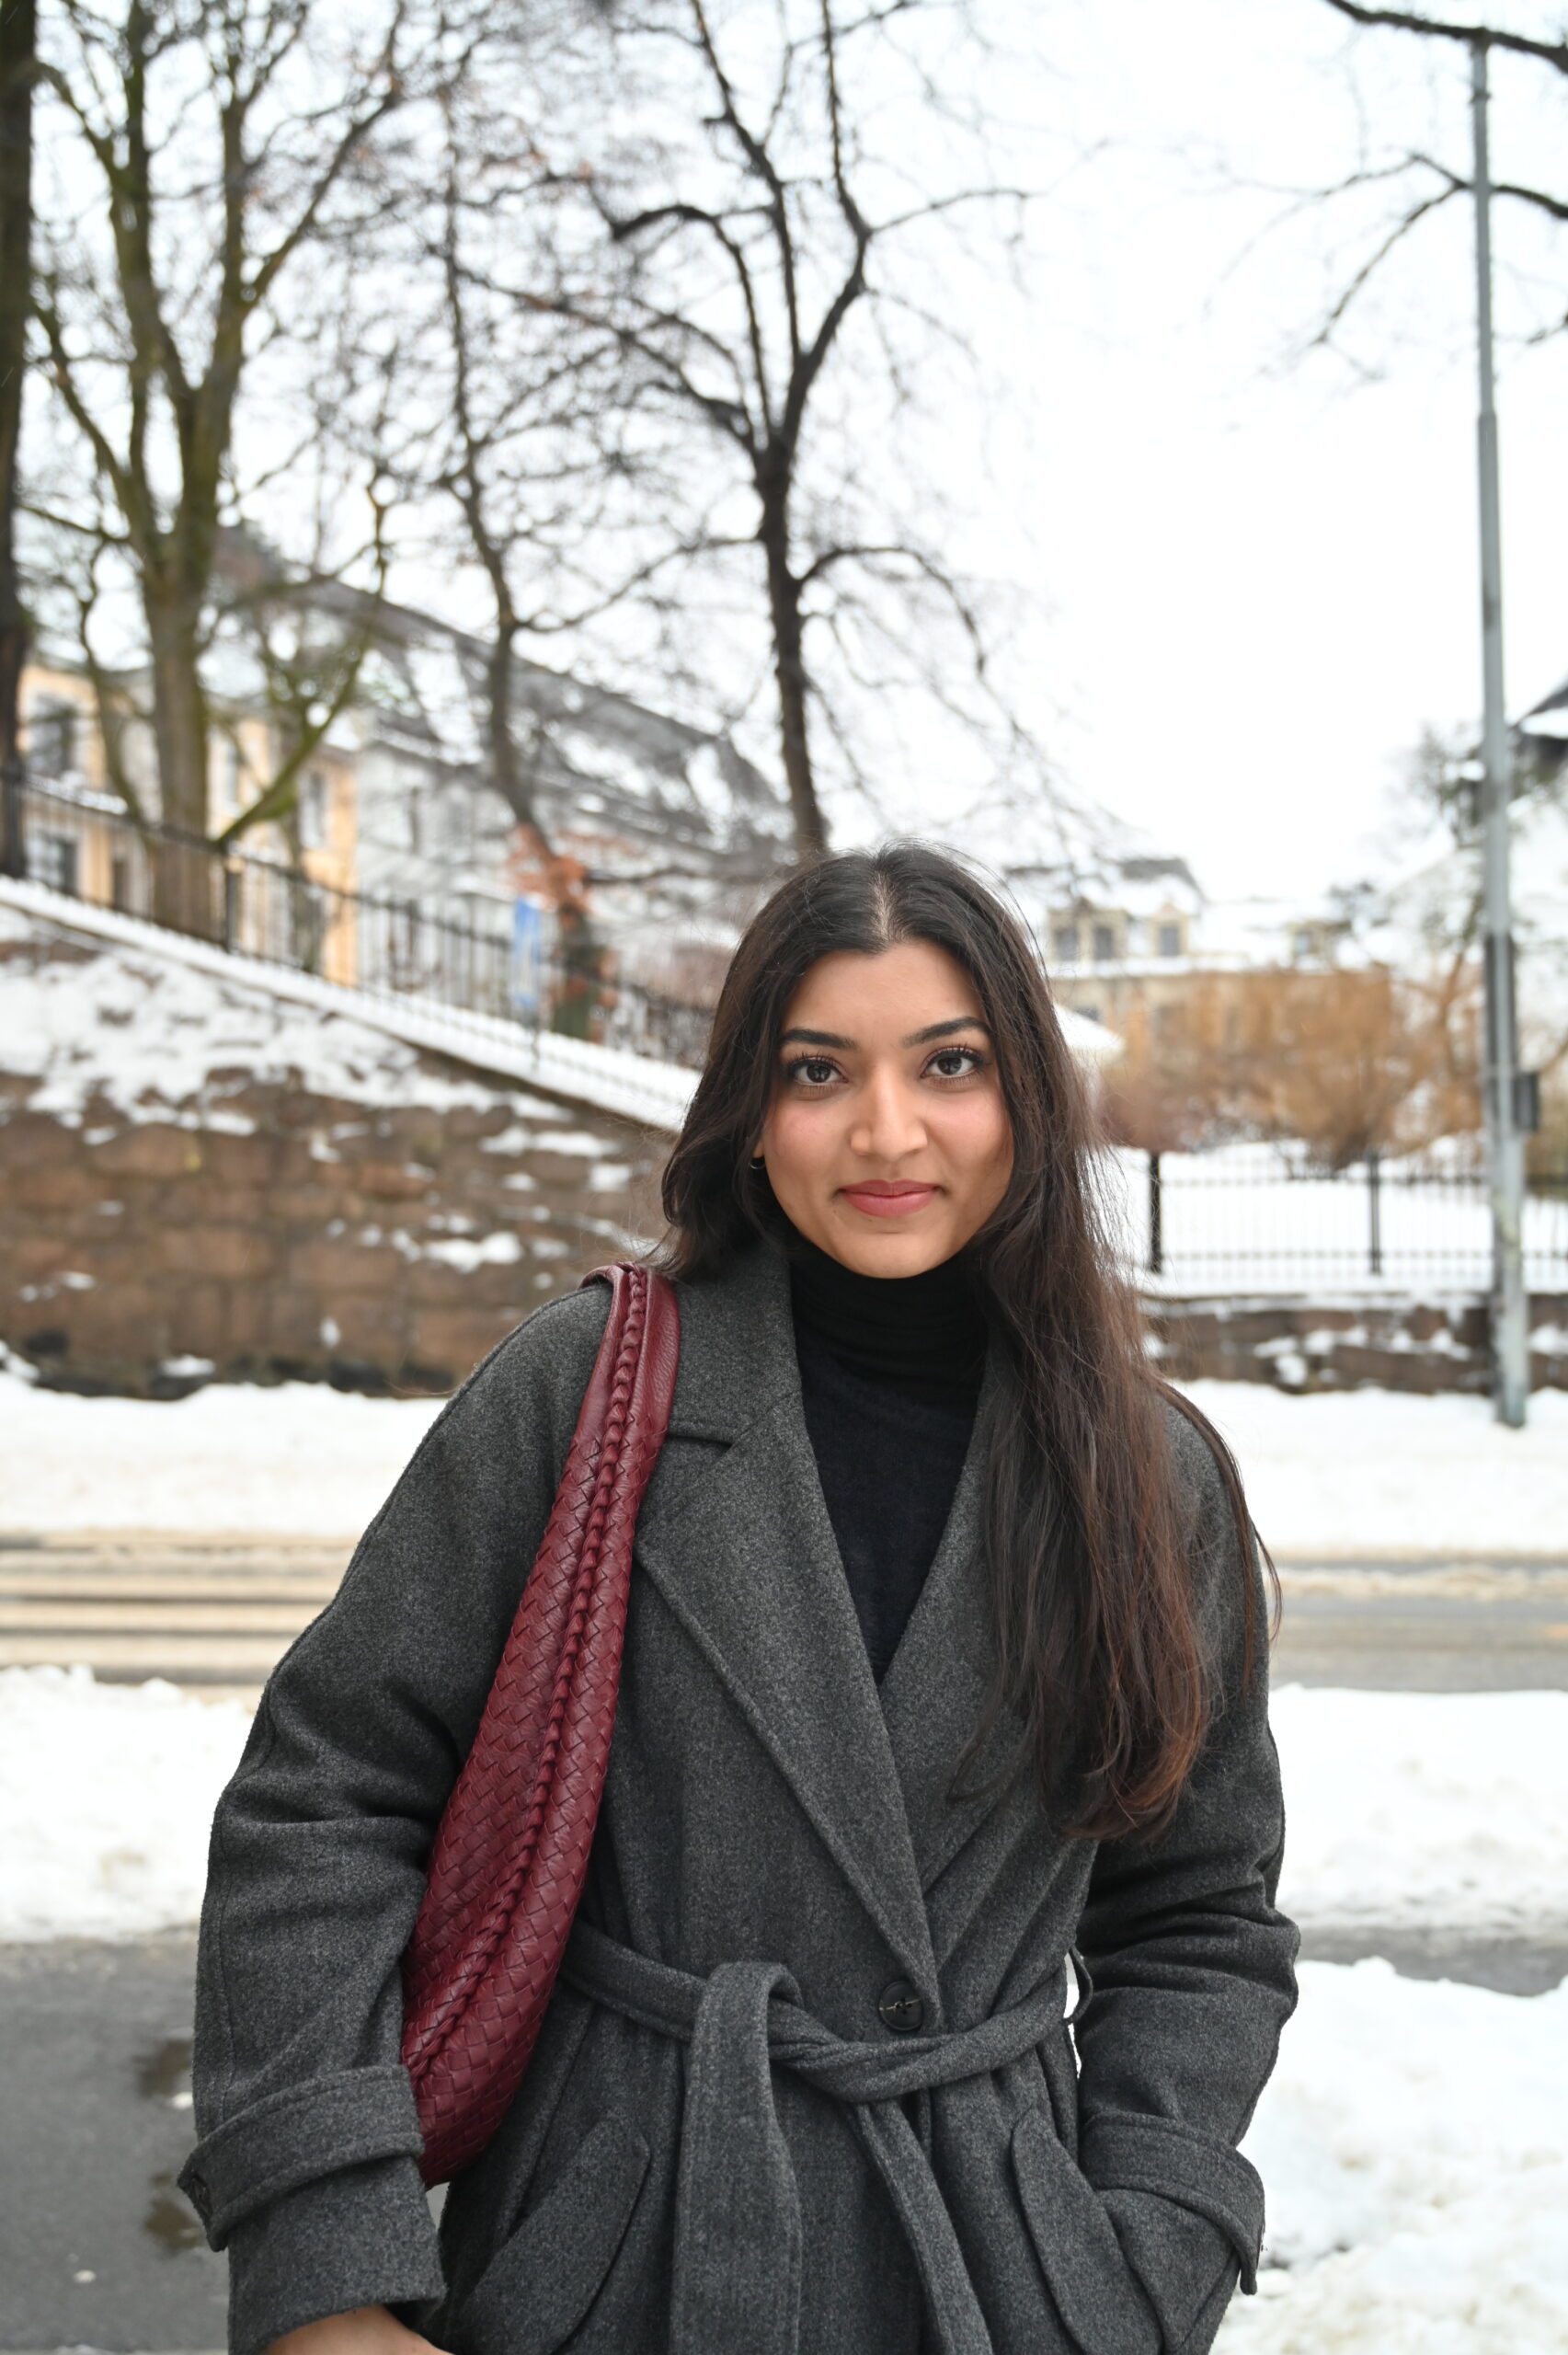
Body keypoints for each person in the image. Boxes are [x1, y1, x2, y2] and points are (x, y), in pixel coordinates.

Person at [181, 843, 1298, 2355]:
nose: (886, 1130)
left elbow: (1199, 1914)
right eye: (817, 1071)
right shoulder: (586, 1392)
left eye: (949, 1065)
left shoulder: (1146, 1474)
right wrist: (326, 2272)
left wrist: (1142, 2255)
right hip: (616, 2251)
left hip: (999, 2277)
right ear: (749, 1115)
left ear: (1025, 1098)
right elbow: (325, 1801)